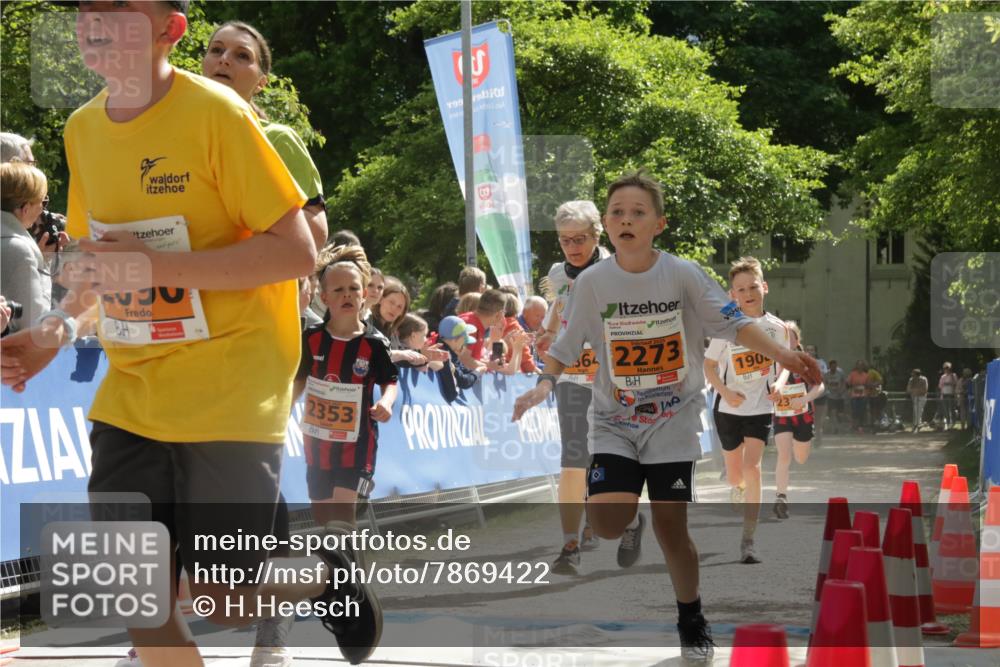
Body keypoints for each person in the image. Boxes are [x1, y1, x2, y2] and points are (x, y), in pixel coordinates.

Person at [0, 4, 378, 665]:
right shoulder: (82, 128)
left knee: (222, 597)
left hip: (231, 383)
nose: (97, 24)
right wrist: (55, 330)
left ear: (169, 31)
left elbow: (296, 252)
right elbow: (97, 264)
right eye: (89, 11)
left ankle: (324, 578)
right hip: (133, 388)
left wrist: (156, 267)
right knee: (130, 591)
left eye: (121, 11)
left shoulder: (217, 114)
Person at [512, 171, 821, 663]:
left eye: (638, 212)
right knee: (606, 523)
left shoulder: (683, 275)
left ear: (659, 223)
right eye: (617, 212)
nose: (627, 220)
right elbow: (567, 344)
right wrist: (544, 383)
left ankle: (691, 616)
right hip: (614, 419)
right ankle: (627, 513)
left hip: (673, 420)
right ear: (606, 224)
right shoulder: (592, 283)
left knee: (672, 527)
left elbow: (736, 324)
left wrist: (784, 355)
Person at [536, 200, 628, 576]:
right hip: (573, 377)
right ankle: (569, 545)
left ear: (596, 235)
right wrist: (547, 334)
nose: (572, 247)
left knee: (609, 460)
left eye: (579, 239)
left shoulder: (619, 268)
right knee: (573, 460)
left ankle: (623, 519)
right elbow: (557, 313)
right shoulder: (557, 274)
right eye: (564, 240)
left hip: (614, 379)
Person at [202, 20, 327, 253]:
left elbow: (315, 234)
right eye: (216, 50)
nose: (224, 59)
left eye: (242, 56)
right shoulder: (173, 134)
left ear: (261, 83)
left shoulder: (278, 140)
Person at [704, 256, 790, 564]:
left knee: (753, 468)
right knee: (734, 476)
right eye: (740, 289)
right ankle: (737, 486)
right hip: (728, 409)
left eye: (753, 287)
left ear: (764, 287)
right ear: (732, 295)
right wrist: (726, 392)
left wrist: (779, 383)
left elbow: (785, 363)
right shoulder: (726, 326)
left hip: (760, 408)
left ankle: (749, 539)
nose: (748, 293)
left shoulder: (778, 328)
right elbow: (709, 366)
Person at [770, 322, 824, 519]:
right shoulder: (771, 360)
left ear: (797, 340)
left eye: (789, 336)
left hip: (803, 416)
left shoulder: (805, 361)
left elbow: (820, 386)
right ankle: (781, 497)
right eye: (782, 336)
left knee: (800, 458)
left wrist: (805, 399)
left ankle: (798, 446)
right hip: (782, 416)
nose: (785, 340)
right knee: (784, 456)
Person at [0, 162, 53, 333]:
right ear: (25, 208)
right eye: (43, 202)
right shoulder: (19, 250)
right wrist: (43, 267)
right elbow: (36, 324)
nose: (42, 210)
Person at [803, 344, 828, 444]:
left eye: (812, 350)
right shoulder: (801, 363)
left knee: (818, 419)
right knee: (806, 419)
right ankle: (807, 440)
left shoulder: (821, 363)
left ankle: (818, 439)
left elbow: (824, 377)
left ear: (815, 351)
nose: (809, 352)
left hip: (820, 395)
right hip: (807, 396)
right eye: (807, 349)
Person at [823, 359, 847, 434]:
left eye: (835, 366)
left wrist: (841, 391)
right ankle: (835, 428)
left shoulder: (840, 372)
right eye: (832, 366)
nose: (834, 368)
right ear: (829, 367)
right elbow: (825, 384)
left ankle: (841, 428)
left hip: (840, 395)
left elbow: (844, 382)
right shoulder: (826, 374)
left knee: (840, 414)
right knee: (833, 412)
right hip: (831, 396)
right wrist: (827, 391)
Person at [847, 360, 870, 433]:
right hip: (854, 395)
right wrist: (851, 387)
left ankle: (860, 426)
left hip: (863, 395)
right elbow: (848, 383)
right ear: (856, 366)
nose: (860, 366)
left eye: (861, 365)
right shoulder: (852, 374)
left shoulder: (866, 375)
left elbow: (868, 385)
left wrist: (866, 390)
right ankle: (854, 426)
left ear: (863, 366)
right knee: (855, 410)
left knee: (862, 410)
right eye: (858, 365)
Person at [937, 362, 958, 429]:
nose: (946, 369)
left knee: (952, 409)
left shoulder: (953, 375)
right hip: (944, 395)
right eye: (945, 368)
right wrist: (944, 384)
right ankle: (948, 424)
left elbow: (956, 383)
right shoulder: (942, 376)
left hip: (951, 394)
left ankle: (953, 423)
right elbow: (940, 386)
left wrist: (949, 383)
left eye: (947, 368)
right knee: (946, 411)